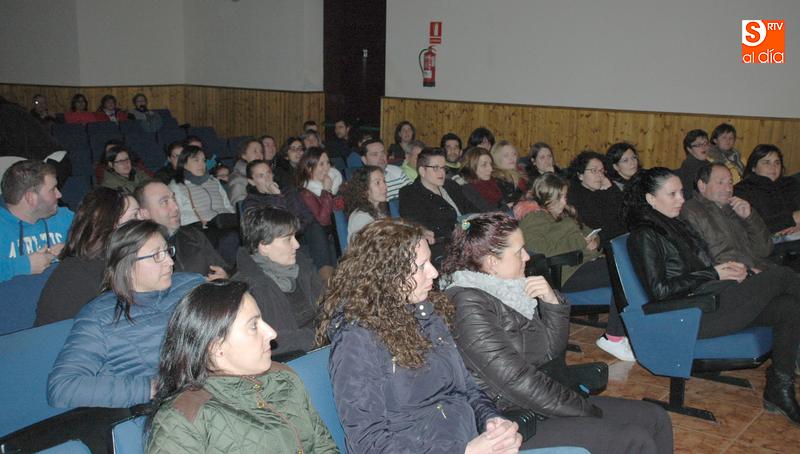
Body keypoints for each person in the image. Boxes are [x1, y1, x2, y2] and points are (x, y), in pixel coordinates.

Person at [441, 212, 673, 453]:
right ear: (492, 262)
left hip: (545, 397)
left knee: (655, 418)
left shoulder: (512, 292)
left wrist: (552, 304)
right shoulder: (466, 304)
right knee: (634, 438)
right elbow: (516, 381)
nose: (528, 257)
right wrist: (585, 410)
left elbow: (552, 354)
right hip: (513, 416)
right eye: (519, 251)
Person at [316, 218, 523, 453]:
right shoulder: (357, 341)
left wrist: (492, 421)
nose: (433, 273)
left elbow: (467, 389)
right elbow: (368, 443)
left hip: (469, 440)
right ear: (388, 275)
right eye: (421, 266)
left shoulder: (427, 312)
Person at [625, 167, 800, 424]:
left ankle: (780, 389)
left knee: (787, 306)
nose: (681, 199)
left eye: (681, 192)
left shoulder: (674, 225)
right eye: (672, 194)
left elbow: (697, 271)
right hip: (687, 315)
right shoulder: (644, 235)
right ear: (651, 199)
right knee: (781, 276)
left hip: (709, 299)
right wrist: (714, 274)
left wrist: (726, 273)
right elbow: (660, 292)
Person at [146, 280, 337, 453]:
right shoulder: (182, 419)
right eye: (253, 326)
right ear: (216, 347)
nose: (271, 333)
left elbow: (325, 448)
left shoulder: (284, 377)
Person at [47, 220, 205, 408]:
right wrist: (151, 388)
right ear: (127, 266)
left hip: (217, 387)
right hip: (171, 409)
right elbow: (62, 388)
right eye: (156, 256)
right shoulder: (99, 317)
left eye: (167, 251)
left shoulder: (192, 284)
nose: (170, 262)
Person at [519, 173, 633, 361]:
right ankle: (613, 337)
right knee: (622, 273)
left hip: (584, 263)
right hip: (563, 273)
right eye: (562, 196)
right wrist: (580, 241)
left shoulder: (564, 215)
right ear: (550, 197)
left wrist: (594, 240)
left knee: (627, 267)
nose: (566, 200)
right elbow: (543, 253)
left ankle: (623, 331)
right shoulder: (532, 220)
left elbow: (589, 232)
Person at [36, 188, 140, 326]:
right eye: (135, 216)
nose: (144, 220)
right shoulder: (74, 276)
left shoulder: (127, 262)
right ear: (111, 224)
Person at [233, 206, 322, 355]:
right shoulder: (246, 288)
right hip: (292, 361)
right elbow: (264, 343)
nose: (297, 245)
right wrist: (316, 337)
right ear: (264, 246)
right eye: (288, 239)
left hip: (323, 347)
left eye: (295, 237)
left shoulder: (303, 266)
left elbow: (329, 308)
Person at [681, 163, 775, 271]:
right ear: (702, 186)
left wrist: (750, 218)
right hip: (734, 278)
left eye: (730, 182)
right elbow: (706, 260)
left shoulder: (738, 207)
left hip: (762, 269)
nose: (728, 188)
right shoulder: (691, 211)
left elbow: (765, 250)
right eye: (720, 182)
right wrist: (748, 271)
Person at [135, 181, 229, 281]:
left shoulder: (192, 234)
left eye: (173, 198)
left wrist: (225, 276)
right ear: (145, 213)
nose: (175, 207)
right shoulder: (140, 252)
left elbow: (222, 268)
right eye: (164, 202)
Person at [399, 148, 477, 264]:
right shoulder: (410, 193)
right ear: (422, 171)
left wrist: (467, 225)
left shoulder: (451, 186)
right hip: (444, 246)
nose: (442, 173)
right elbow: (416, 224)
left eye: (443, 168)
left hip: (469, 235)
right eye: (435, 168)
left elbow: (472, 211)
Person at [0, 160, 73, 282]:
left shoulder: (65, 217)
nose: (59, 194)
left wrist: (71, 250)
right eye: (53, 189)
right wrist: (24, 266)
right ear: (31, 198)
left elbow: (101, 246)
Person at [169, 145, 236, 249]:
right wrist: (199, 222)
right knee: (230, 238)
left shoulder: (214, 181)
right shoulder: (176, 186)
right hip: (202, 230)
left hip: (225, 224)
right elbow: (178, 215)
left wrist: (232, 219)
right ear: (184, 163)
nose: (202, 164)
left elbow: (227, 205)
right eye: (196, 160)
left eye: (203, 161)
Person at [734, 144, 800, 234]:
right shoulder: (742, 190)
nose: (773, 167)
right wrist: (792, 219)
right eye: (766, 162)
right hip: (770, 242)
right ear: (753, 167)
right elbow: (752, 227)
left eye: (777, 162)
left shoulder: (790, 183)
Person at [566, 150, 626, 243]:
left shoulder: (605, 190)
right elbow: (599, 228)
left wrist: (611, 188)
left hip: (617, 240)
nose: (600, 175)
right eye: (594, 171)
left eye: (601, 171)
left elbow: (624, 214)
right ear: (580, 175)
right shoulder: (574, 196)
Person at [296, 147, 338, 277]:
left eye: (328, 163)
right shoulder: (305, 192)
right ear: (309, 168)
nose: (327, 168)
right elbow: (323, 219)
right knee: (316, 228)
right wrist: (326, 191)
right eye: (321, 164)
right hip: (314, 238)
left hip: (329, 235)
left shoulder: (334, 185)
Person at [342, 166, 388, 241]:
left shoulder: (378, 210)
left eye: (384, 181)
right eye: (377, 183)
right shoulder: (361, 218)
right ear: (364, 189)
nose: (385, 187)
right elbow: (371, 250)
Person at [453, 147, 506, 212]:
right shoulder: (465, 187)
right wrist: (507, 207)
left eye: (490, 164)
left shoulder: (492, 181)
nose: (491, 169)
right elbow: (486, 211)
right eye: (484, 165)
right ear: (471, 167)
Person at [226, 138, 265, 205]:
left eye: (261, 152)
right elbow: (241, 207)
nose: (259, 155)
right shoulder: (238, 179)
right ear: (243, 155)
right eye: (255, 151)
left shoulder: (265, 176)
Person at [674, 129, 710, 200]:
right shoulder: (689, 166)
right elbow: (690, 194)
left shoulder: (707, 163)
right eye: (698, 145)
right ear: (689, 149)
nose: (704, 147)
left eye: (706, 143)